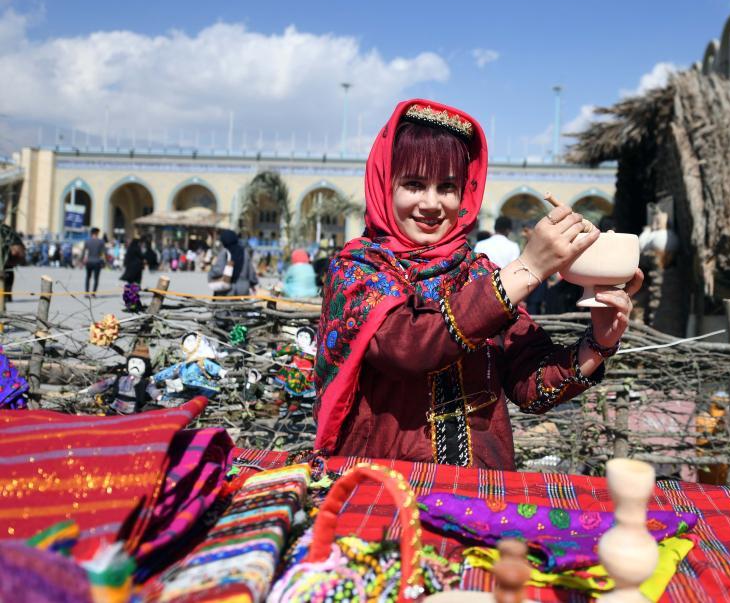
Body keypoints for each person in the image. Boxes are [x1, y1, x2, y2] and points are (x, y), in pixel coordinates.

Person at [313, 99, 642, 470]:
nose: (432, 203)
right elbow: (409, 344)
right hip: (383, 484)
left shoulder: (479, 273)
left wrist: (598, 343)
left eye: (447, 187)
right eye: (414, 184)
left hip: (482, 490)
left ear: (464, 193)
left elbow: (530, 388)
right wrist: (529, 268)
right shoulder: (357, 271)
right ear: (384, 186)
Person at [208, 229, 258, 296]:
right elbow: (251, 273)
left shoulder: (225, 252)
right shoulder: (244, 252)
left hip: (227, 289)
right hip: (243, 290)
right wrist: (252, 283)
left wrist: (210, 274)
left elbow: (218, 270)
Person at [2, 224, 25, 303]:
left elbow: (17, 251)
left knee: (8, 275)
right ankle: (7, 296)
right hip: (8, 263)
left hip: (7, 262)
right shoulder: (7, 230)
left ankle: (7, 295)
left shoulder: (6, 230)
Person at [82, 227, 106, 293]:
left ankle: (86, 292)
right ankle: (93, 293)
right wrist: (105, 261)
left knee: (88, 277)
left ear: (91, 233)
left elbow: (84, 252)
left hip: (89, 261)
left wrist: (82, 260)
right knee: (96, 278)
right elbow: (104, 252)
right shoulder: (101, 241)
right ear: (97, 233)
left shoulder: (87, 241)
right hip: (97, 262)